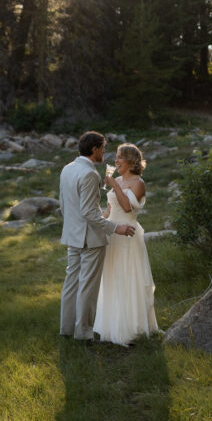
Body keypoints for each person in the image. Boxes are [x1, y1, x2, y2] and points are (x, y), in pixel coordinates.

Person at [59, 132, 137, 341]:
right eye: (102, 149)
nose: (104, 153)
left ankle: (66, 329)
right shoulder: (90, 174)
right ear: (94, 149)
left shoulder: (67, 169)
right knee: (87, 287)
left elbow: (64, 206)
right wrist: (114, 228)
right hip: (91, 238)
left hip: (72, 235)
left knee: (71, 284)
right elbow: (88, 213)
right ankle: (83, 334)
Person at [92, 142, 159, 345]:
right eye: (116, 157)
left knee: (128, 277)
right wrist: (99, 221)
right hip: (112, 234)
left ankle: (131, 328)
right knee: (112, 278)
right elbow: (110, 209)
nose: (116, 160)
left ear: (130, 160)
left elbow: (127, 208)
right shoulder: (117, 179)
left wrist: (113, 184)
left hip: (128, 235)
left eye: (120, 157)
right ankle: (111, 326)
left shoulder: (139, 183)